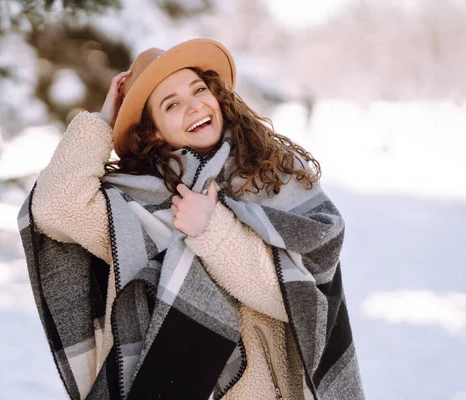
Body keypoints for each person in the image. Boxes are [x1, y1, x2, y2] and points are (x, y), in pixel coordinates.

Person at [19, 38, 364, 400]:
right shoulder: (137, 206)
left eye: (198, 89)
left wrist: (211, 230)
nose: (194, 105)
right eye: (172, 104)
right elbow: (54, 206)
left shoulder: (272, 176)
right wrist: (103, 121)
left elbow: (298, 302)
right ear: (152, 130)